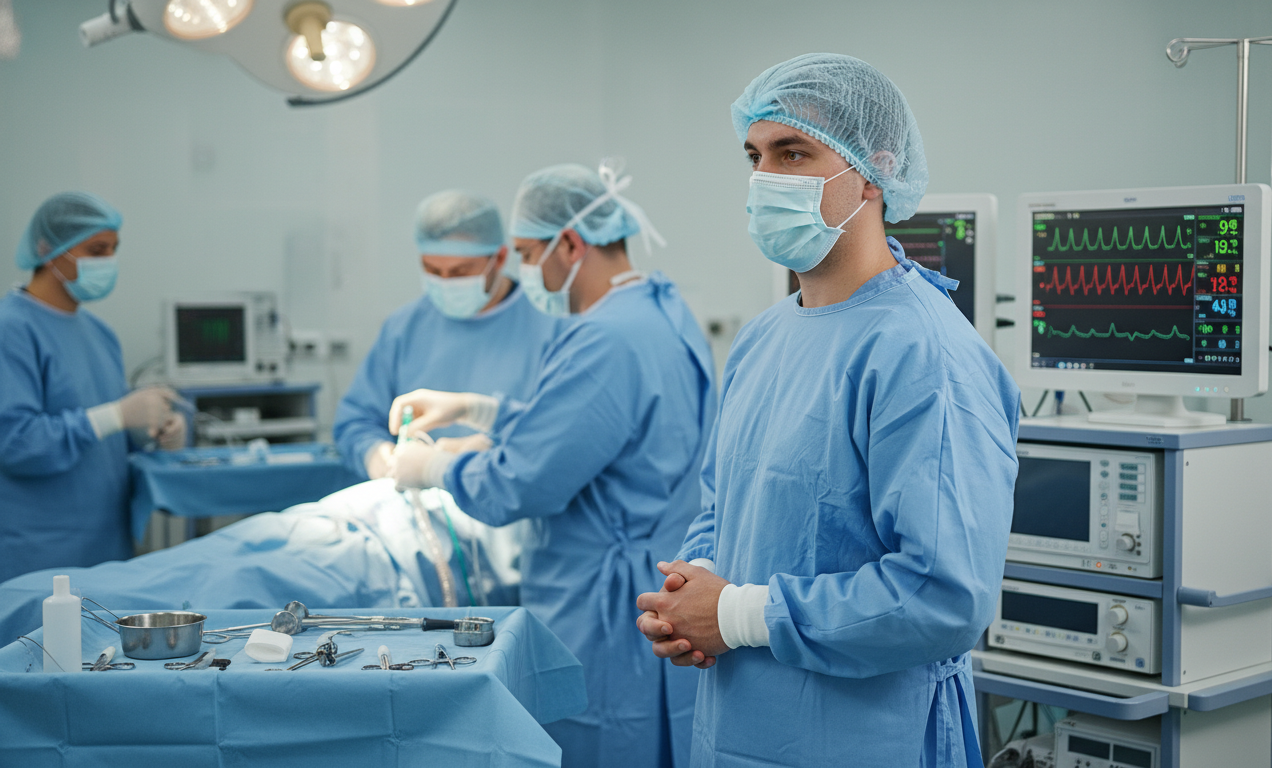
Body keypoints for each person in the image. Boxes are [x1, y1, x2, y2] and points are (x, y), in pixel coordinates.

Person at [634, 53, 1021, 767]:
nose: (765, 178)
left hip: (866, 736)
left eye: (793, 153)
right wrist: (692, 596)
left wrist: (739, 616)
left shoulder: (923, 354)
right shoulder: (764, 337)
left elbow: (942, 597)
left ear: (874, 170)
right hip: (737, 725)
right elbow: (728, 504)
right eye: (755, 155)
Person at [389, 162, 715, 768]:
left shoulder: (604, 337)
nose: (522, 271)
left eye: (525, 252)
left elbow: (521, 483)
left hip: (605, 603)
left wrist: (433, 469)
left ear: (569, 244)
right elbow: (595, 428)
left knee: (603, 740)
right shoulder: (661, 308)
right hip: (660, 576)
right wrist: (481, 411)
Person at [0, 192, 185, 583]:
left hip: (107, 546)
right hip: (39, 552)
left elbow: (107, 438)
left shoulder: (100, 333)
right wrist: (116, 414)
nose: (108, 262)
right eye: (96, 249)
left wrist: (152, 432)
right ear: (49, 249)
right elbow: (16, 443)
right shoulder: (11, 329)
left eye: (113, 249)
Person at [333, 191, 559, 481]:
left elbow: (564, 428)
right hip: (417, 508)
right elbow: (357, 419)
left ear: (500, 258)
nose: (445, 282)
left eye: (460, 271)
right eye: (432, 270)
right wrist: (375, 454)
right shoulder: (404, 328)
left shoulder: (551, 325)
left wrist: (493, 449)